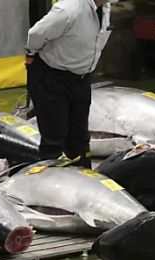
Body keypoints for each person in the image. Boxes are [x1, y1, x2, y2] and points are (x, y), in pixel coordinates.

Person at [25, 0, 115, 168]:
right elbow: (36, 33)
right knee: (54, 135)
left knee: (79, 134)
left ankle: (83, 172)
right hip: (52, 77)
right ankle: (48, 182)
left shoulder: (104, 7)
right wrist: (31, 53)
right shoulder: (69, 9)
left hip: (81, 78)